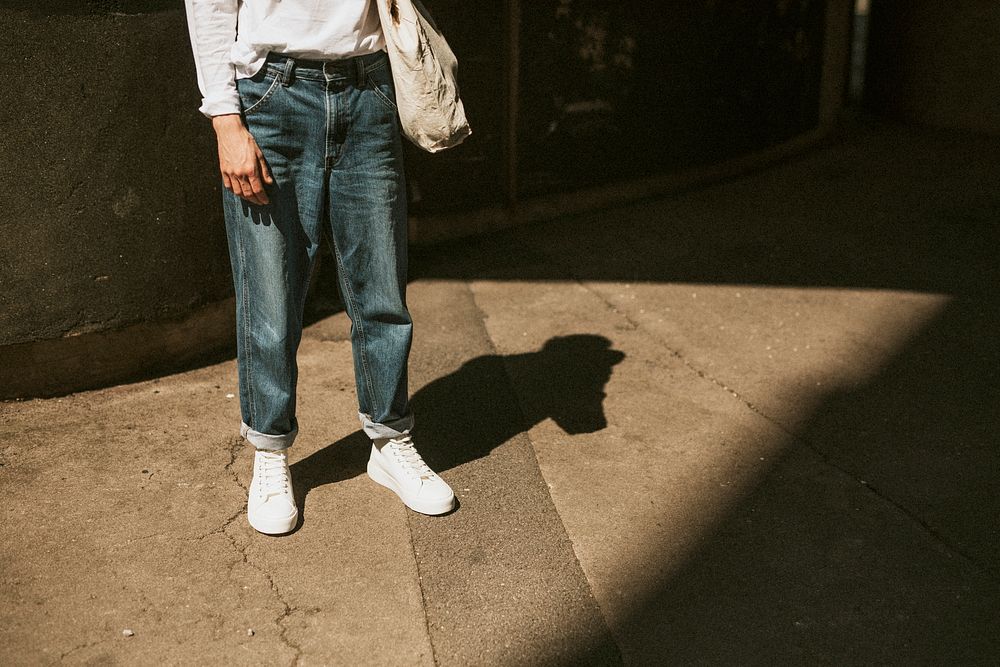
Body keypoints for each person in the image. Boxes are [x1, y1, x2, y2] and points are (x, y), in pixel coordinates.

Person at [183, 0, 455, 535]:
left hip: (369, 86)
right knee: (270, 300)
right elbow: (210, 6)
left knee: (382, 292)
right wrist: (224, 119)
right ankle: (270, 453)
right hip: (271, 94)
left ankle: (388, 441)